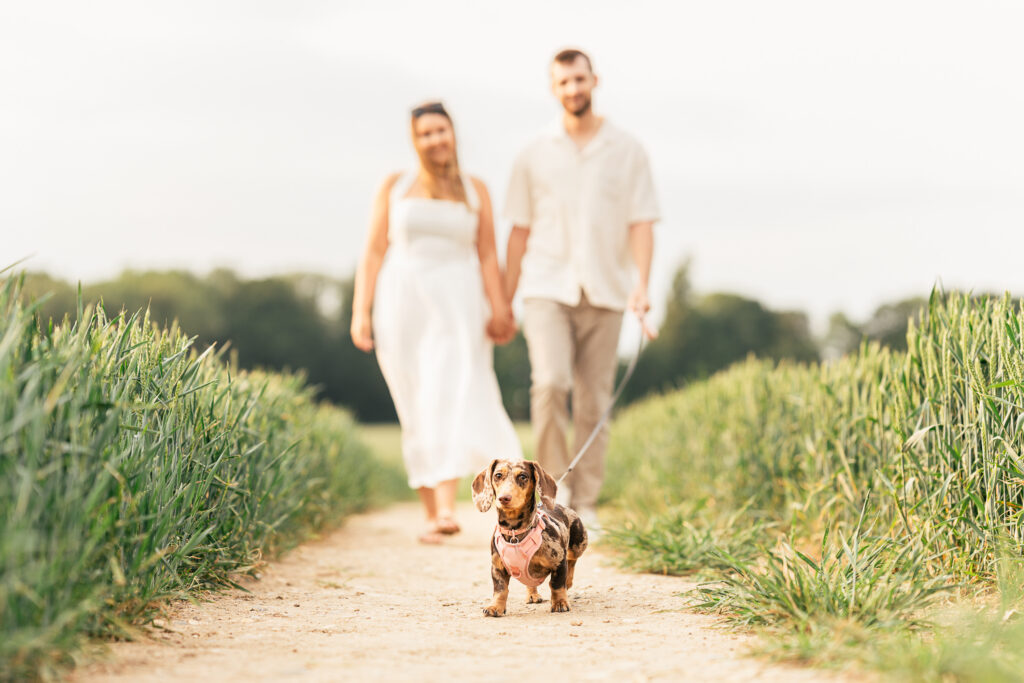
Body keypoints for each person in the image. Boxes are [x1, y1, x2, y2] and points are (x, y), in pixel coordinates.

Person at [503, 49, 660, 532]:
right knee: (550, 384)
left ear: (594, 80)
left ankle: (585, 498)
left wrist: (642, 285)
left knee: (594, 399)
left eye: (579, 79)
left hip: (608, 291)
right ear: (554, 89)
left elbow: (641, 222)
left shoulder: (627, 148)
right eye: (563, 82)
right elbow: (518, 231)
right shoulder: (533, 151)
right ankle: (549, 495)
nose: (572, 89)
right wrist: (503, 300)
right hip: (546, 287)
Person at [351, 101, 521, 545]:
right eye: (424, 133)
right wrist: (360, 311)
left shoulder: (475, 189)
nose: (434, 140)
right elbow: (372, 251)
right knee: (414, 400)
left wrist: (500, 306)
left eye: (440, 130)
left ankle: (447, 506)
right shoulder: (395, 185)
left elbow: (487, 253)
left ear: (452, 132)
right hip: (402, 301)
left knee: (451, 392)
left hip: (459, 303)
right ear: (415, 140)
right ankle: (431, 513)